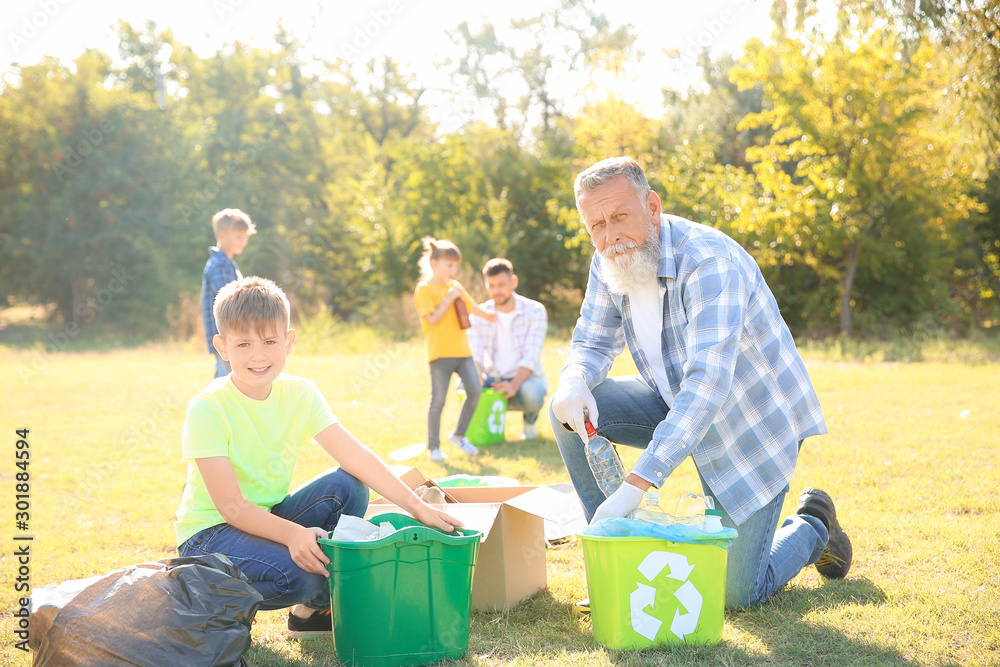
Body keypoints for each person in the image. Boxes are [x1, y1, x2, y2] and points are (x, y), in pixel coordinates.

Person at [549, 156, 852, 611]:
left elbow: (708, 385)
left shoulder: (709, 261)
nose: (610, 236)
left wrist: (635, 486)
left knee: (734, 595)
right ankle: (613, 556)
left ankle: (812, 527)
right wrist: (573, 380)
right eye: (596, 224)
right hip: (672, 402)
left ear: (651, 207)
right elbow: (591, 342)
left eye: (619, 217)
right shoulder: (608, 260)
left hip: (749, 424)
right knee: (567, 413)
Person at [176, 276, 463, 639]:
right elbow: (231, 506)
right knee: (307, 573)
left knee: (348, 485)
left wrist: (415, 506)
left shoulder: (300, 393)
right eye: (243, 343)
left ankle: (309, 611)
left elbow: (354, 454)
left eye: (269, 341)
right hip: (209, 536)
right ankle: (207, 604)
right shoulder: (208, 407)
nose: (259, 355)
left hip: (264, 518)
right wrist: (295, 535)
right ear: (222, 346)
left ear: (288, 341)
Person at [414, 238, 497, 462]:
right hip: (440, 354)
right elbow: (432, 320)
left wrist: (488, 315)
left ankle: (458, 434)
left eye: (455, 266)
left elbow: (471, 306)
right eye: (448, 265)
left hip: (463, 352)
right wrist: (448, 298)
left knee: (475, 390)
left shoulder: (455, 286)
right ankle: (433, 448)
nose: (453, 270)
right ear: (433, 263)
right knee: (438, 400)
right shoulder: (424, 289)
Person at [469, 258, 549, 440]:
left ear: (513, 282)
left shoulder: (535, 311)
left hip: (526, 379)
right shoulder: (479, 315)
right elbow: (475, 353)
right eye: (492, 285)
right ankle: (484, 427)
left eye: (501, 284)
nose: (497, 291)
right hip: (493, 378)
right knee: (465, 382)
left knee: (531, 393)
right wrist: (477, 374)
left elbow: (531, 355)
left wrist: (513, 384)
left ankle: (529, 420)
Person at [200, 208, 255, 379]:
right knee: (233, 380)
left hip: (232, 334)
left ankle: (210, 405)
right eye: (239, 237)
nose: (243, 241)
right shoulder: (219, 264)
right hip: (225, 335)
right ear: (222, 235)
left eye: (245, 237)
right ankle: (214, 406)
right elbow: (233, 298)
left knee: (224, 379)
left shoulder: (228, 263)